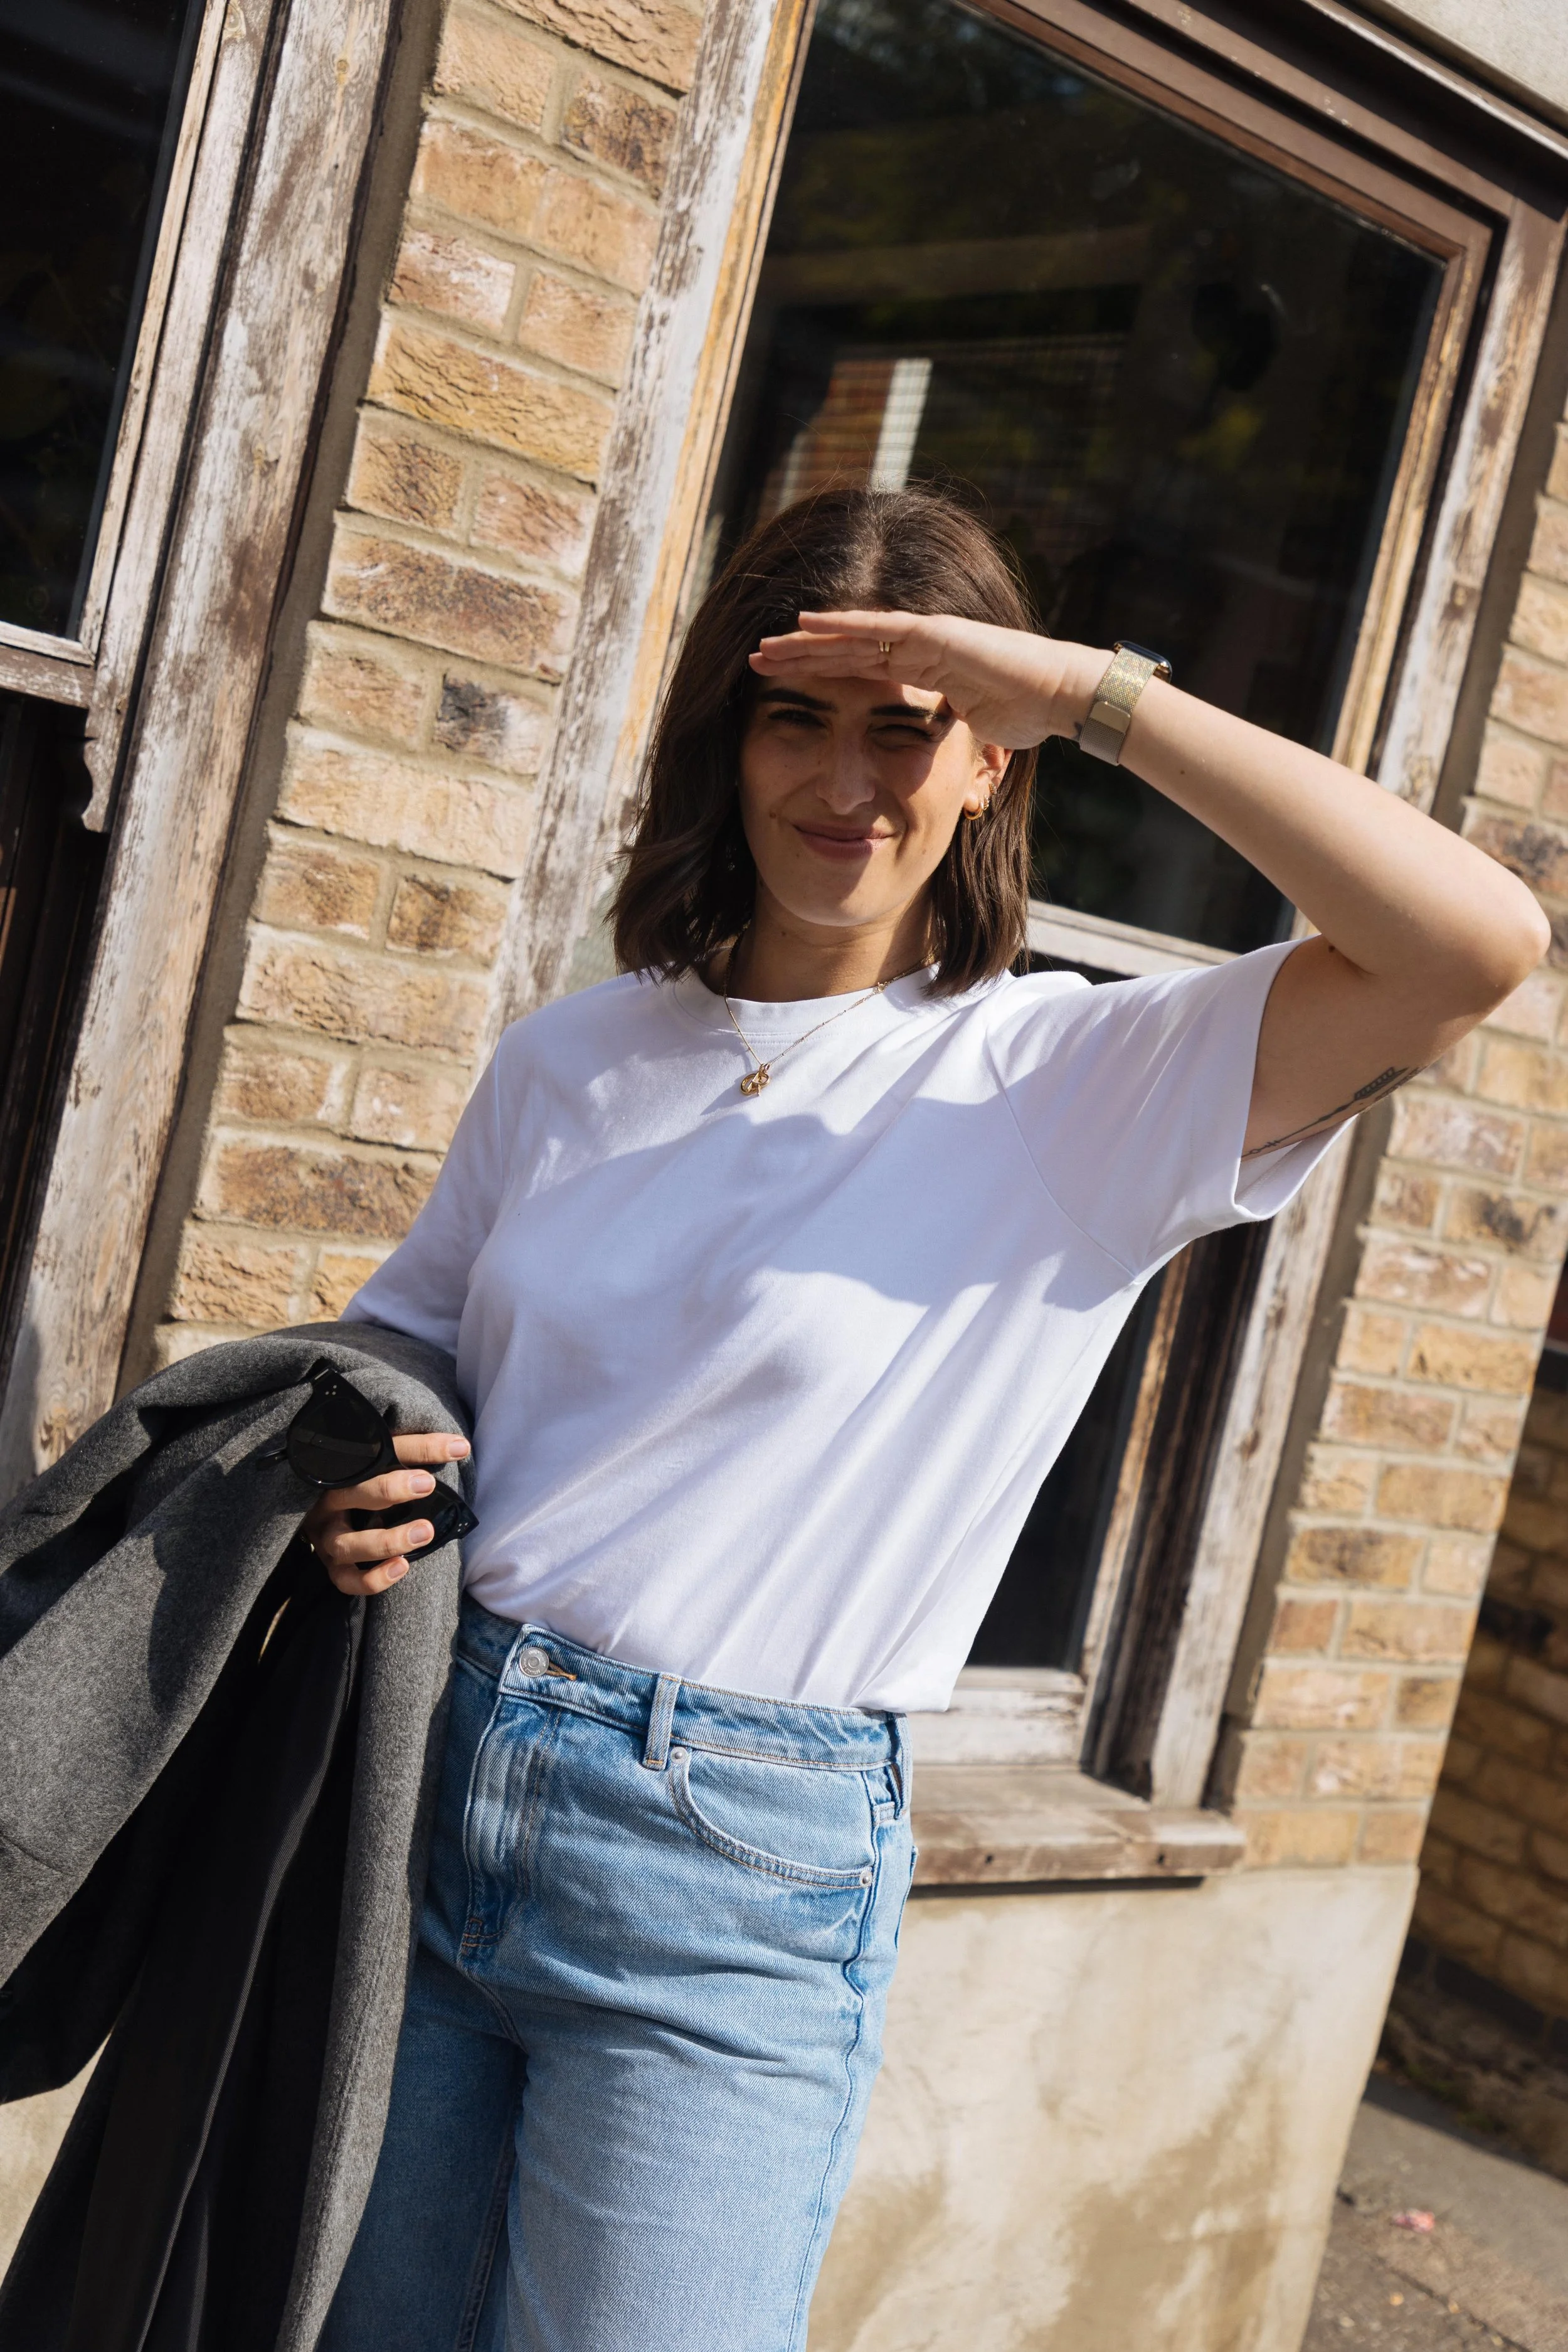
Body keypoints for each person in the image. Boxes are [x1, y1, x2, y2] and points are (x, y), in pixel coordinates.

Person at [309, 486, 1545, 2352]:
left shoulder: (1062, 1078)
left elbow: (1470, 942)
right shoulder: (573, 1052)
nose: (844, 780)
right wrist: (354, 1483)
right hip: (433, 1779)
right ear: (726, 739)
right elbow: (408, 1357)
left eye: (909, 727)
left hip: (726, 1872)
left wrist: (1080, 688)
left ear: (990, 766)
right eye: (795, 714)